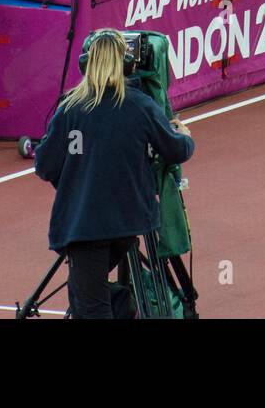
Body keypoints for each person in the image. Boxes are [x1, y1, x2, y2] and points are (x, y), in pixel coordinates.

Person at [34, 29, 194, 319]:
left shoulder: (70, 108)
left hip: (85, 226)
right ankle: (123, 304)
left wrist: (74, 182)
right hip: (130, 223)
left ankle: (119, 305)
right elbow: (176, 151)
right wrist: (184, 135)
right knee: (87, 298)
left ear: (87, 64)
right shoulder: (141, 105)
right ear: (127, 65)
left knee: (90, 307)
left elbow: (44, 166)